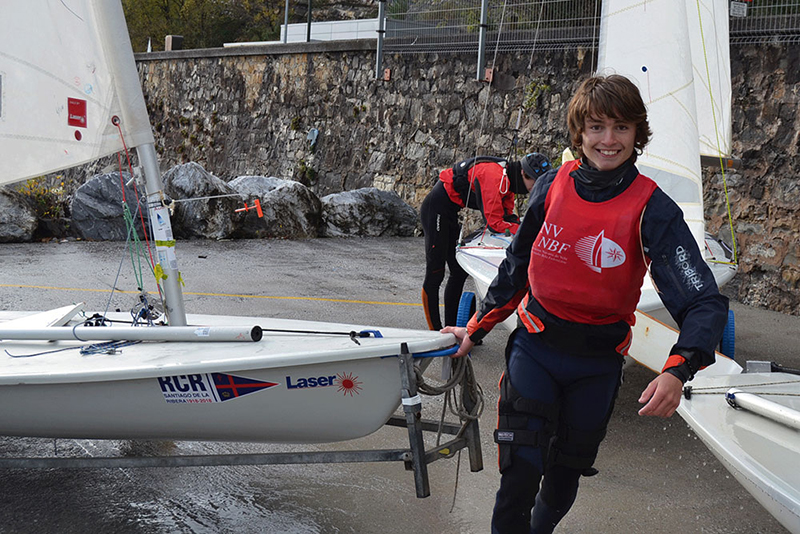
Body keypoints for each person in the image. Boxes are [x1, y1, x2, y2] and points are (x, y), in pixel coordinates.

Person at [442, 75, 729, 533]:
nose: (608, 140)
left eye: (620, 128)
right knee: (520, 472)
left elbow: (704, 302)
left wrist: (678, 369)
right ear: (579, 133)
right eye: (596, 127)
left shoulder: (653, 209)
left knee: (561, 479)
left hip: (597, 363)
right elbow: (515, 267)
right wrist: (472, 328)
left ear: (638, 134)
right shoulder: (551, 186)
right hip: (536, 348)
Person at [421, 152, 551, 331]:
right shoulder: (494, 176)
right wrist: (526, 230)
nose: (536, 188)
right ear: (524, 174)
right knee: (435, 272)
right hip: (435, 209)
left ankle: (450, 330)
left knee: (458, 272)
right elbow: (495, 224)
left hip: (451, 212)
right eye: (535, 183)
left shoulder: (509, 180)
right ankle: (435, 332)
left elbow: (508, 217)